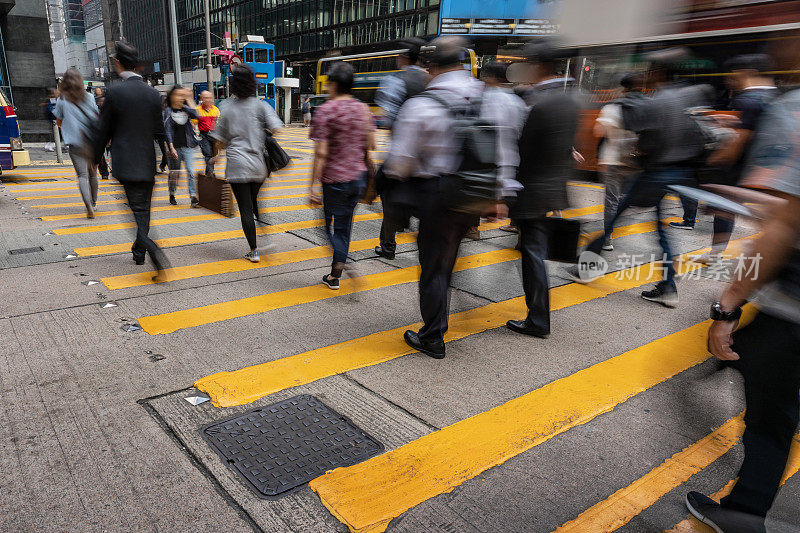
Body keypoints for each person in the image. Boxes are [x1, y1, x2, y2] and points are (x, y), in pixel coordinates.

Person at [686, 58, 800, 532]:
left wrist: (726, 305)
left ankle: (745, 512)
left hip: (793, 310)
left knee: (771, 411)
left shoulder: (790, 109)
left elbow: (784, 228)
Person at [384, 36, 501, 359]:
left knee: (434, 267)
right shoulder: (488, 97)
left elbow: (400, 162)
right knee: (448, 259)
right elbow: (502, 145)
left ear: (431, 67)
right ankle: (443, 311)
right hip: (475, 191)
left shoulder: (420, 104)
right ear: (463, 64)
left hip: (438, 195)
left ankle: (433, 336)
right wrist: (498, 194)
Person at [574, 48, 710, 308]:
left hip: (656, 171)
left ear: (658, 73)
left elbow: (647, 141)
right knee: (660, 230)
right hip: (681, 171)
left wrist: (636, 157)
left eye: (650, 71)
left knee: (615, 217)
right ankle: (668, 286)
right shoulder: (690, 97)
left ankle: (587, 267)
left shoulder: (658, 102)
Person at [499, 43, 581, 338]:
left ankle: (537, 319)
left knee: (532, 254)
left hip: (532, 190)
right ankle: (537, 316)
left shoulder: (539, 104)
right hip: (553, 187)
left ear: (538, 66)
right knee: (534, 251)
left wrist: (508, 192)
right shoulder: (569, 102)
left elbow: (524, 151)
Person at [692, 54, 778, 265]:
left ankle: (716, 254)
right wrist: (730, 121)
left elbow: (738, 143)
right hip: (771, 166)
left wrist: (713, 160)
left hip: (743, 166)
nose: (730, 81)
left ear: (747, 73)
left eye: (733, 76)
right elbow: (757, 125)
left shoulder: (746, 99)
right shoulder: (776, 96)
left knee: (724, 206)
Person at [94, 40, 169, 276]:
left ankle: (152, 249)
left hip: (126, 162)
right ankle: (139, 253)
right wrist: (166, 156)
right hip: (148, 161)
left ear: (117, 63)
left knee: (136, 212)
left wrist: (97, 158)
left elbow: (102, 131)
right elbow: (159, 131)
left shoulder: (114, 92)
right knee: (143, 210)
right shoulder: (152, 94)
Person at [309, 62, 376, 289]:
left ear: (335, 84)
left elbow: (320, 153)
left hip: (334, 181)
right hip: (358, 179)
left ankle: (345, 261)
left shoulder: (326, 111)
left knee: (325, 225)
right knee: (344, 227)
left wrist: (312, 187)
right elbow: (371, 144)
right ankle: (334, 275)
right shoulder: (364, 110)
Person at [210, 65, 283, 263]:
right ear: (253, 83)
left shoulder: (226, 106)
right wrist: (259, 135)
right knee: (255, 202)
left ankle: (254, 250)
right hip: (259, 165)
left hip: (237, 165)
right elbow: (277, 128)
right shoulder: (260, 106)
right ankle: (266, 236)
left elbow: (220, 140)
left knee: (245, 208)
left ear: (234, 84)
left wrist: (217, 155)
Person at [374, 37, 431, 260]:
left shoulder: (395, 81)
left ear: (404, 58)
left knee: (389, 200)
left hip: (401, 152)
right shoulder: (431, 79)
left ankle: (388, 246)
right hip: (428, 155)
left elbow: (388, 121)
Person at [473, 60, 527, 239]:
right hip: (510, 164)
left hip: (488, 165)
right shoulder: (516, 101)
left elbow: (486, 136)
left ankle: (472, 228)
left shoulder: (489, 99)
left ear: (489, 77)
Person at [594, 72, 647, 251]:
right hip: (637, 162)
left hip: (614, 160)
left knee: (611, 201)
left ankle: (608, 239)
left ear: (623, 88)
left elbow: (598, 131)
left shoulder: (613, 107)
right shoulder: (649, 106)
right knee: (628, 198)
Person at [53, 68, 100, 219]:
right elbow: (96, 117)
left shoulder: (62, 100)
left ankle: (88, 206)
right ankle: (93, 203)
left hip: (75, 143)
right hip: (91, 141)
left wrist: (69, 127)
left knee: (82, 175)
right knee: (93, 174)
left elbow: (59, 121)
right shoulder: (90, 97)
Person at [164, 85, 200, 207]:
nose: (180, 98)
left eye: (182, 95)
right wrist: (171, 147)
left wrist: (189, 98)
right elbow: (167, 130)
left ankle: (193, 197)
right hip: (174, 147)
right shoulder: (168, 111)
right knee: (175, 173)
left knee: (191, 171)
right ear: (172, 96)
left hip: (187, 146)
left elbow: (197, 115)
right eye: (178, 95)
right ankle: (172, 193)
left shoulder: (186, 109)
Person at [196, 90, 220, 178]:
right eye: (206, 98)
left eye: (210, 98)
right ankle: (211, 174)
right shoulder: (197, 110)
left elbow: (219, 123)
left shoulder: (216, 110)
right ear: (202, 99)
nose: (208, 100)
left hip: (214, 135)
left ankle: (208, 173)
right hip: (203, 135)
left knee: (213, 155)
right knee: (208, 154)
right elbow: (193, 124)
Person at [93, 87, 111, 180]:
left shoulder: (109, 111)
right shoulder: (95, 111)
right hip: (99, 136)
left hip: (109, 136)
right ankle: (104, 173)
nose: (101, 103)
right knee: (100, 156)